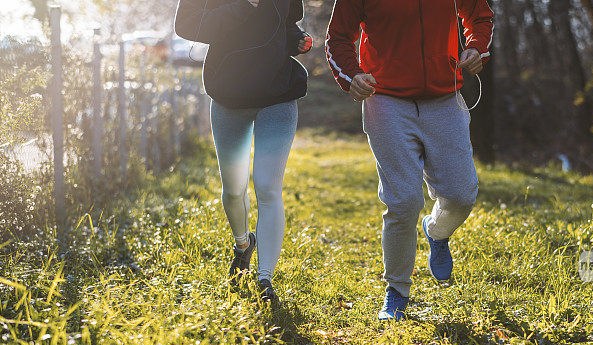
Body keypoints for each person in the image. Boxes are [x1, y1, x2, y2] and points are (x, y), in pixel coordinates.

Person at [325, 0, 494, 321]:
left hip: (445, 98)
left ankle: (437, 232)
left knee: (461, 195)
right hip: (386, 100)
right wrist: (351, 76)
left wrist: (475, 49)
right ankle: (397, 290)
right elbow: (337, 38)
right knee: (403, 200)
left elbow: (479, 16)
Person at [174, 0, 313, 305]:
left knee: (267, 186)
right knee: (234, 191)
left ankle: (265, 279)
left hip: (278, 95)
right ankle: (242, 245)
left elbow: (283, 25)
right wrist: (243, 5)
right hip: (229, 98)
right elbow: (186, 25)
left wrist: (296, 40)